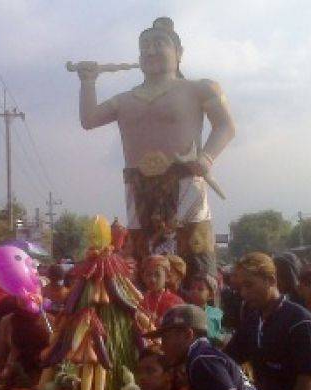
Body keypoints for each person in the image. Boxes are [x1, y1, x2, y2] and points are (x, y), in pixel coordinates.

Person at [75, 17, 235, 278]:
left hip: (185, 179)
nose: (150, 51)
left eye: (158, 44)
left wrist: (206, 157)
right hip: (138, 186)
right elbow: (89, 119)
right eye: (144, 46)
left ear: (178, 53)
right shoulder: (125, 99)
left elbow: (226, 126)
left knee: (194, 262)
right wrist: (88, 82)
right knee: (143, 261)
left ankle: (196, 314)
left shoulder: (198, 89)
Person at [225, 252, 311, 390]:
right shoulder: (253, 320)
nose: (243, 293)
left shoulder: (300, 321)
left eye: (249, 285)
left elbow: (305, 382)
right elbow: (228, 357)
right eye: (241, 287)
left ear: (271, 280)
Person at [146, 304, 275, 390]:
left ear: (187, 334)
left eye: (165, 338)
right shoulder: (206, 355)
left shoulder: (201, 359)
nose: (162, 346)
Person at [141, 255, 184, 324]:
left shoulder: (176, 302)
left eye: (157, 275)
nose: (152, 279)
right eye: (148, 274)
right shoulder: (140, 299)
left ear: (167, 277)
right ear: (143, 277)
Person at [184, 273, 224, 346]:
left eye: (200, 289)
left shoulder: (215, 313)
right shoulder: (184, 309)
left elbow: (214, 337)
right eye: (192, 288)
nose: (195, 291)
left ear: (211, 295)